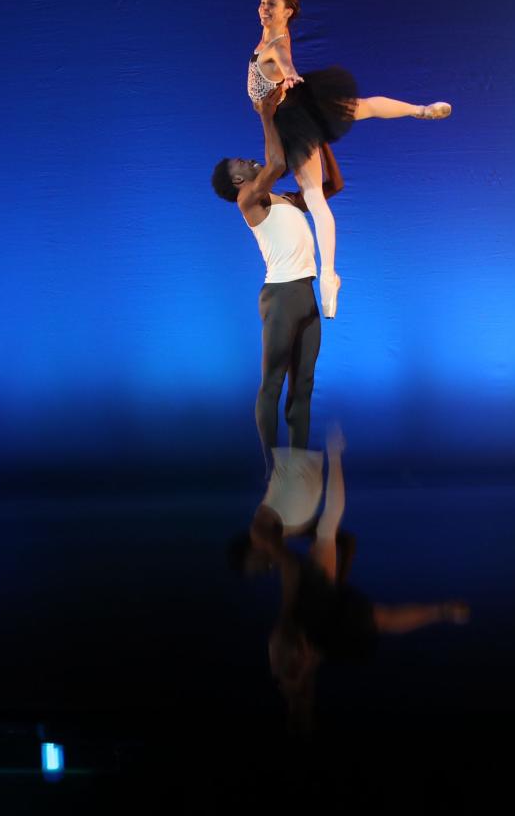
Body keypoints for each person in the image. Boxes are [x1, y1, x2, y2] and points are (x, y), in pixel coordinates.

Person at [249, 0, 453, 318]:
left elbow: (284, 59)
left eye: (271, 5)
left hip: (292, 112)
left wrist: (289, 72)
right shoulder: (271, 24)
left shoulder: (276, 42)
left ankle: (329, 276)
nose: (263, 7)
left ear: (287, 12)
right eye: (262, 3)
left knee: (314, 191)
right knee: (360, 111)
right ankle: (329, 276)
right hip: (295, 110)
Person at [229, 426, 470, 736]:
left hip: (317, 615)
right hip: (319, 615)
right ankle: (441, 611)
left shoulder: (292, 640)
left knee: (374, 611)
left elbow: (330, 544)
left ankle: (441, 611)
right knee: (370, 606)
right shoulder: (296, 629)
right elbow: (316, 549)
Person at [210, 88, 342, 477]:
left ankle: (296, 467)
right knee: (271, 385)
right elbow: (276, 159)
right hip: (281, 297)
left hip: (305, 296)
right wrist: (266, 114)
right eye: (244, 162)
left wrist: (321, 140)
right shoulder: (249, 199)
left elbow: (331, 188)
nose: (252, 162)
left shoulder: (281, 198)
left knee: (302, 387)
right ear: (238, 178)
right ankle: (272, 468)